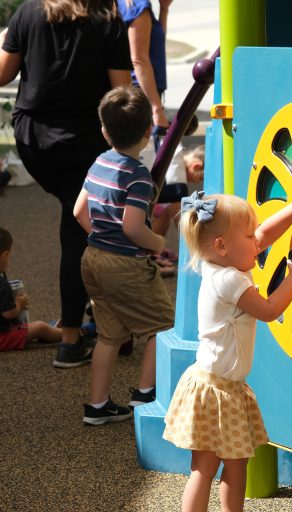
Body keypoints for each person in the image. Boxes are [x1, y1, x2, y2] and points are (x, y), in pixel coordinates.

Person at [163, 190, 292, 512]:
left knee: (228, 466)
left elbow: (261, 238)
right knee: (209, 468)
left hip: (220, 386)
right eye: (247, 235)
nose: (256, 241)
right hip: (217, 390)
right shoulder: (229, 281)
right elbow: (268, 309)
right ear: (221, 245)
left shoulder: (220, 263)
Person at [0, 0, 133, 368]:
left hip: (33, 140)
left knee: (80, 219)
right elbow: (121, 94)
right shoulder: (108, 21)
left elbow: (3, 74)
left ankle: (100, 316)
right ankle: (73, 338)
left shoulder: (27, 13)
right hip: (83, 141)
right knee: (80, 229)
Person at [73, 86, 175, 425]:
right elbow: (133, 227)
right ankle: (145, 394)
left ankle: (97, 406)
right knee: (162, 325)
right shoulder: (138, 176)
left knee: (109, 334)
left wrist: (102, 237)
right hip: (124, 265)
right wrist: (157, 244)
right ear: (148, 132)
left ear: (105, 130)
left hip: (93, 258)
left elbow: (79, 212)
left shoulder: (99, 161)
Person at [0, 227, 62, 350]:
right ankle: (72, 334)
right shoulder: (1, 284)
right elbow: (8, 313)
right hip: (2, 337)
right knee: (40, 327)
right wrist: (19, 304)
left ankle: (53, 330)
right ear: (4, 255)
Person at [117, 0, 172, 129]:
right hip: (142, 93)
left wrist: (164, 10)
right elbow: (139, 60)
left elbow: (156, 44)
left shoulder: (131, 5)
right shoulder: (138, 5)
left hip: (142, 90)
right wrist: (156, 109)